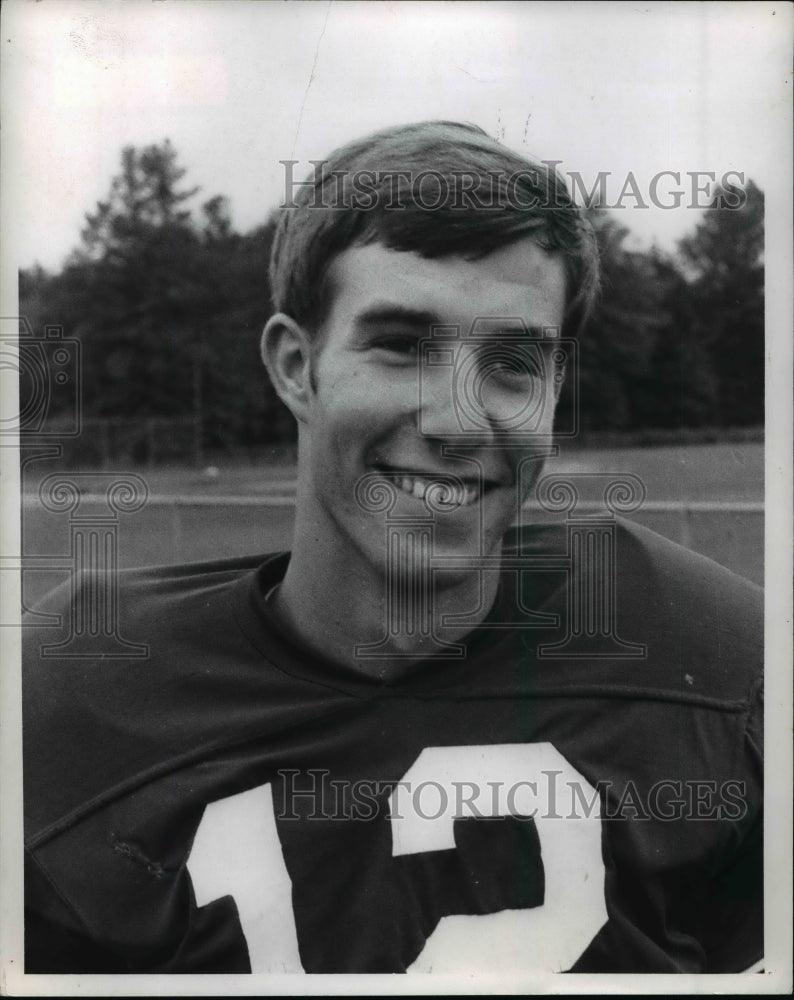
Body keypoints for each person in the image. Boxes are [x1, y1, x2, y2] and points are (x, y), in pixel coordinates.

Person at [23, 121, 762, 974]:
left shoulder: (708, 658)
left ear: (556, 387)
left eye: (514, 362)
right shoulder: (74, 701)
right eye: (403, 346)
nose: (456, 419)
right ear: (296, 366)